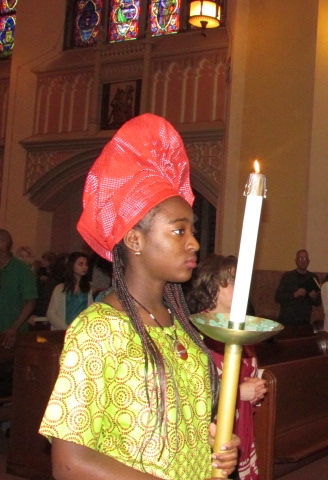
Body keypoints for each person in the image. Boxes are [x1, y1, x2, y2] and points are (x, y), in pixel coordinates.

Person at [39, 113, 239, 480]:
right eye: (179, 231)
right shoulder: (99, 329)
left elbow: (178, 429)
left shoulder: (181, 325)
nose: (194, 243)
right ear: (135, 239)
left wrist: (214, 446)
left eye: (193, 230)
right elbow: (69, 463)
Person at [186, 254, 267, 480]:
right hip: (209, 437)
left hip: (240, 427)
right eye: (231, 281)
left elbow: (250, 373)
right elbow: (190, 391)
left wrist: (255, 389)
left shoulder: (240, 329)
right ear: (211, 286)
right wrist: (238, 392)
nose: (240, 287)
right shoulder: (196, 331)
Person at [0, 229, 38, 349]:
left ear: (4, 244)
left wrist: (14, 327)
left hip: (12, 333)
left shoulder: (21, 269)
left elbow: (30, 301)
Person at [46, 251, 95, 331]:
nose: (84, 267)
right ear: (72, 265)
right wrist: (66, 328)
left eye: (86, 264)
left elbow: (90, 309)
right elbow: (51, 313)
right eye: (80, 264)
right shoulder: (60, 288)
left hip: (81, 329)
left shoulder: (87, 288)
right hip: (63, 329)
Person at [274, 249, 321, 327]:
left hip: (304, 321)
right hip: (287, 319)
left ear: (308, 261)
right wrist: (294, 294)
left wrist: (314, 298)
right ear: (296, 261)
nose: (303, 261)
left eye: (305, 258)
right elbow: (278, 297)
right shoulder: (287, 276)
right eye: (300, 259)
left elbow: (318, 302)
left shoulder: (313, 277)